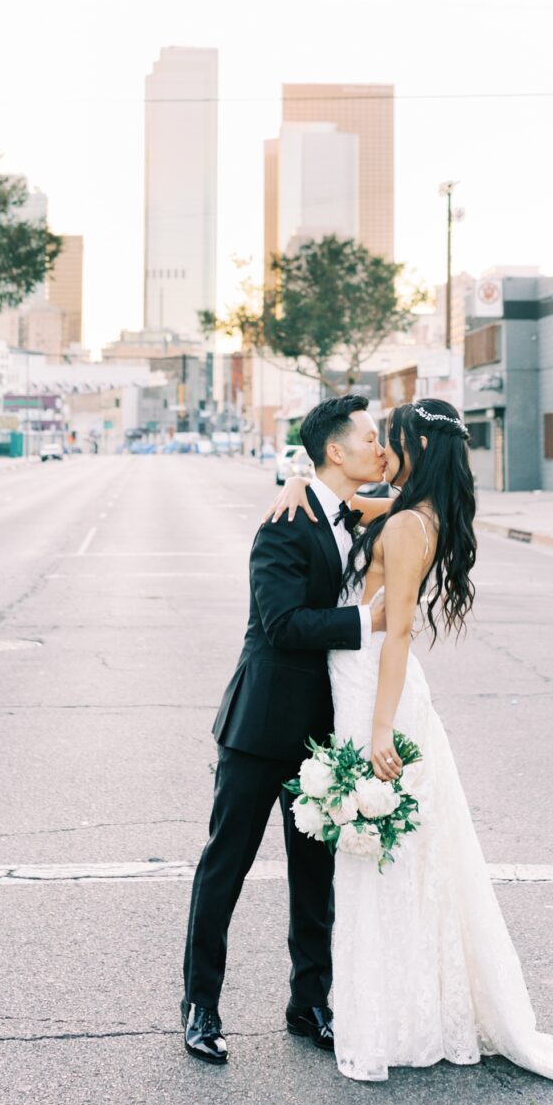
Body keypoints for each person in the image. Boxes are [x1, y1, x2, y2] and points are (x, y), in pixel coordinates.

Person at [269, 398, 553, 1086]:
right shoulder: (406, 513)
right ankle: (389, 1005)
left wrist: (380, 728)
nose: (382, 449)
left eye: (392, 440)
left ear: (417, 448)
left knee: (387, 861)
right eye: (373, 439)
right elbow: (341, 507)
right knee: (391, 861)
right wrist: (300, 477)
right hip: (359, 681)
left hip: (375, 691)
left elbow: (399, 631)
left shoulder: (411, 524)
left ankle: (398, 1016)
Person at [181, 394, 387, 1064]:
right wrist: (366, 622)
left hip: (320, 732)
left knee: (314, 875)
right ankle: (201, 1006)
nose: (378, 447)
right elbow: (281, 624)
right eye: (368, 437)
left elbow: (422, 487)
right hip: (259, 724)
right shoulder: (283, 526)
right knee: (224, 869)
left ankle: (310, 1004)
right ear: (335, 450)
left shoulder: (354, 517)